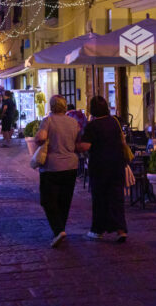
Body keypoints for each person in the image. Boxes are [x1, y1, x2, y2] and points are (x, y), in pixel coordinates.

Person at [76, 95, 128, 243]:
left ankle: (98, 229)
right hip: (117, 164)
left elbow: (85, 146)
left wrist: (77, 144)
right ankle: (121, 230)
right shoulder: (114, 121)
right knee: (117, 197)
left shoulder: (93, 126)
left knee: (100, 198)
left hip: (100, 166)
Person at [34, 96, 81, 247]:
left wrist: (39, 139)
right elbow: (78, 142)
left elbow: (40, 138)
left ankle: (58, 230)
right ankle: (60, 230)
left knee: (47, 200)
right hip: (71, 166)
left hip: (52, 166)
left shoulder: (48, 120)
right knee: (64, 200)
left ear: (52, 106)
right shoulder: (74, 122)